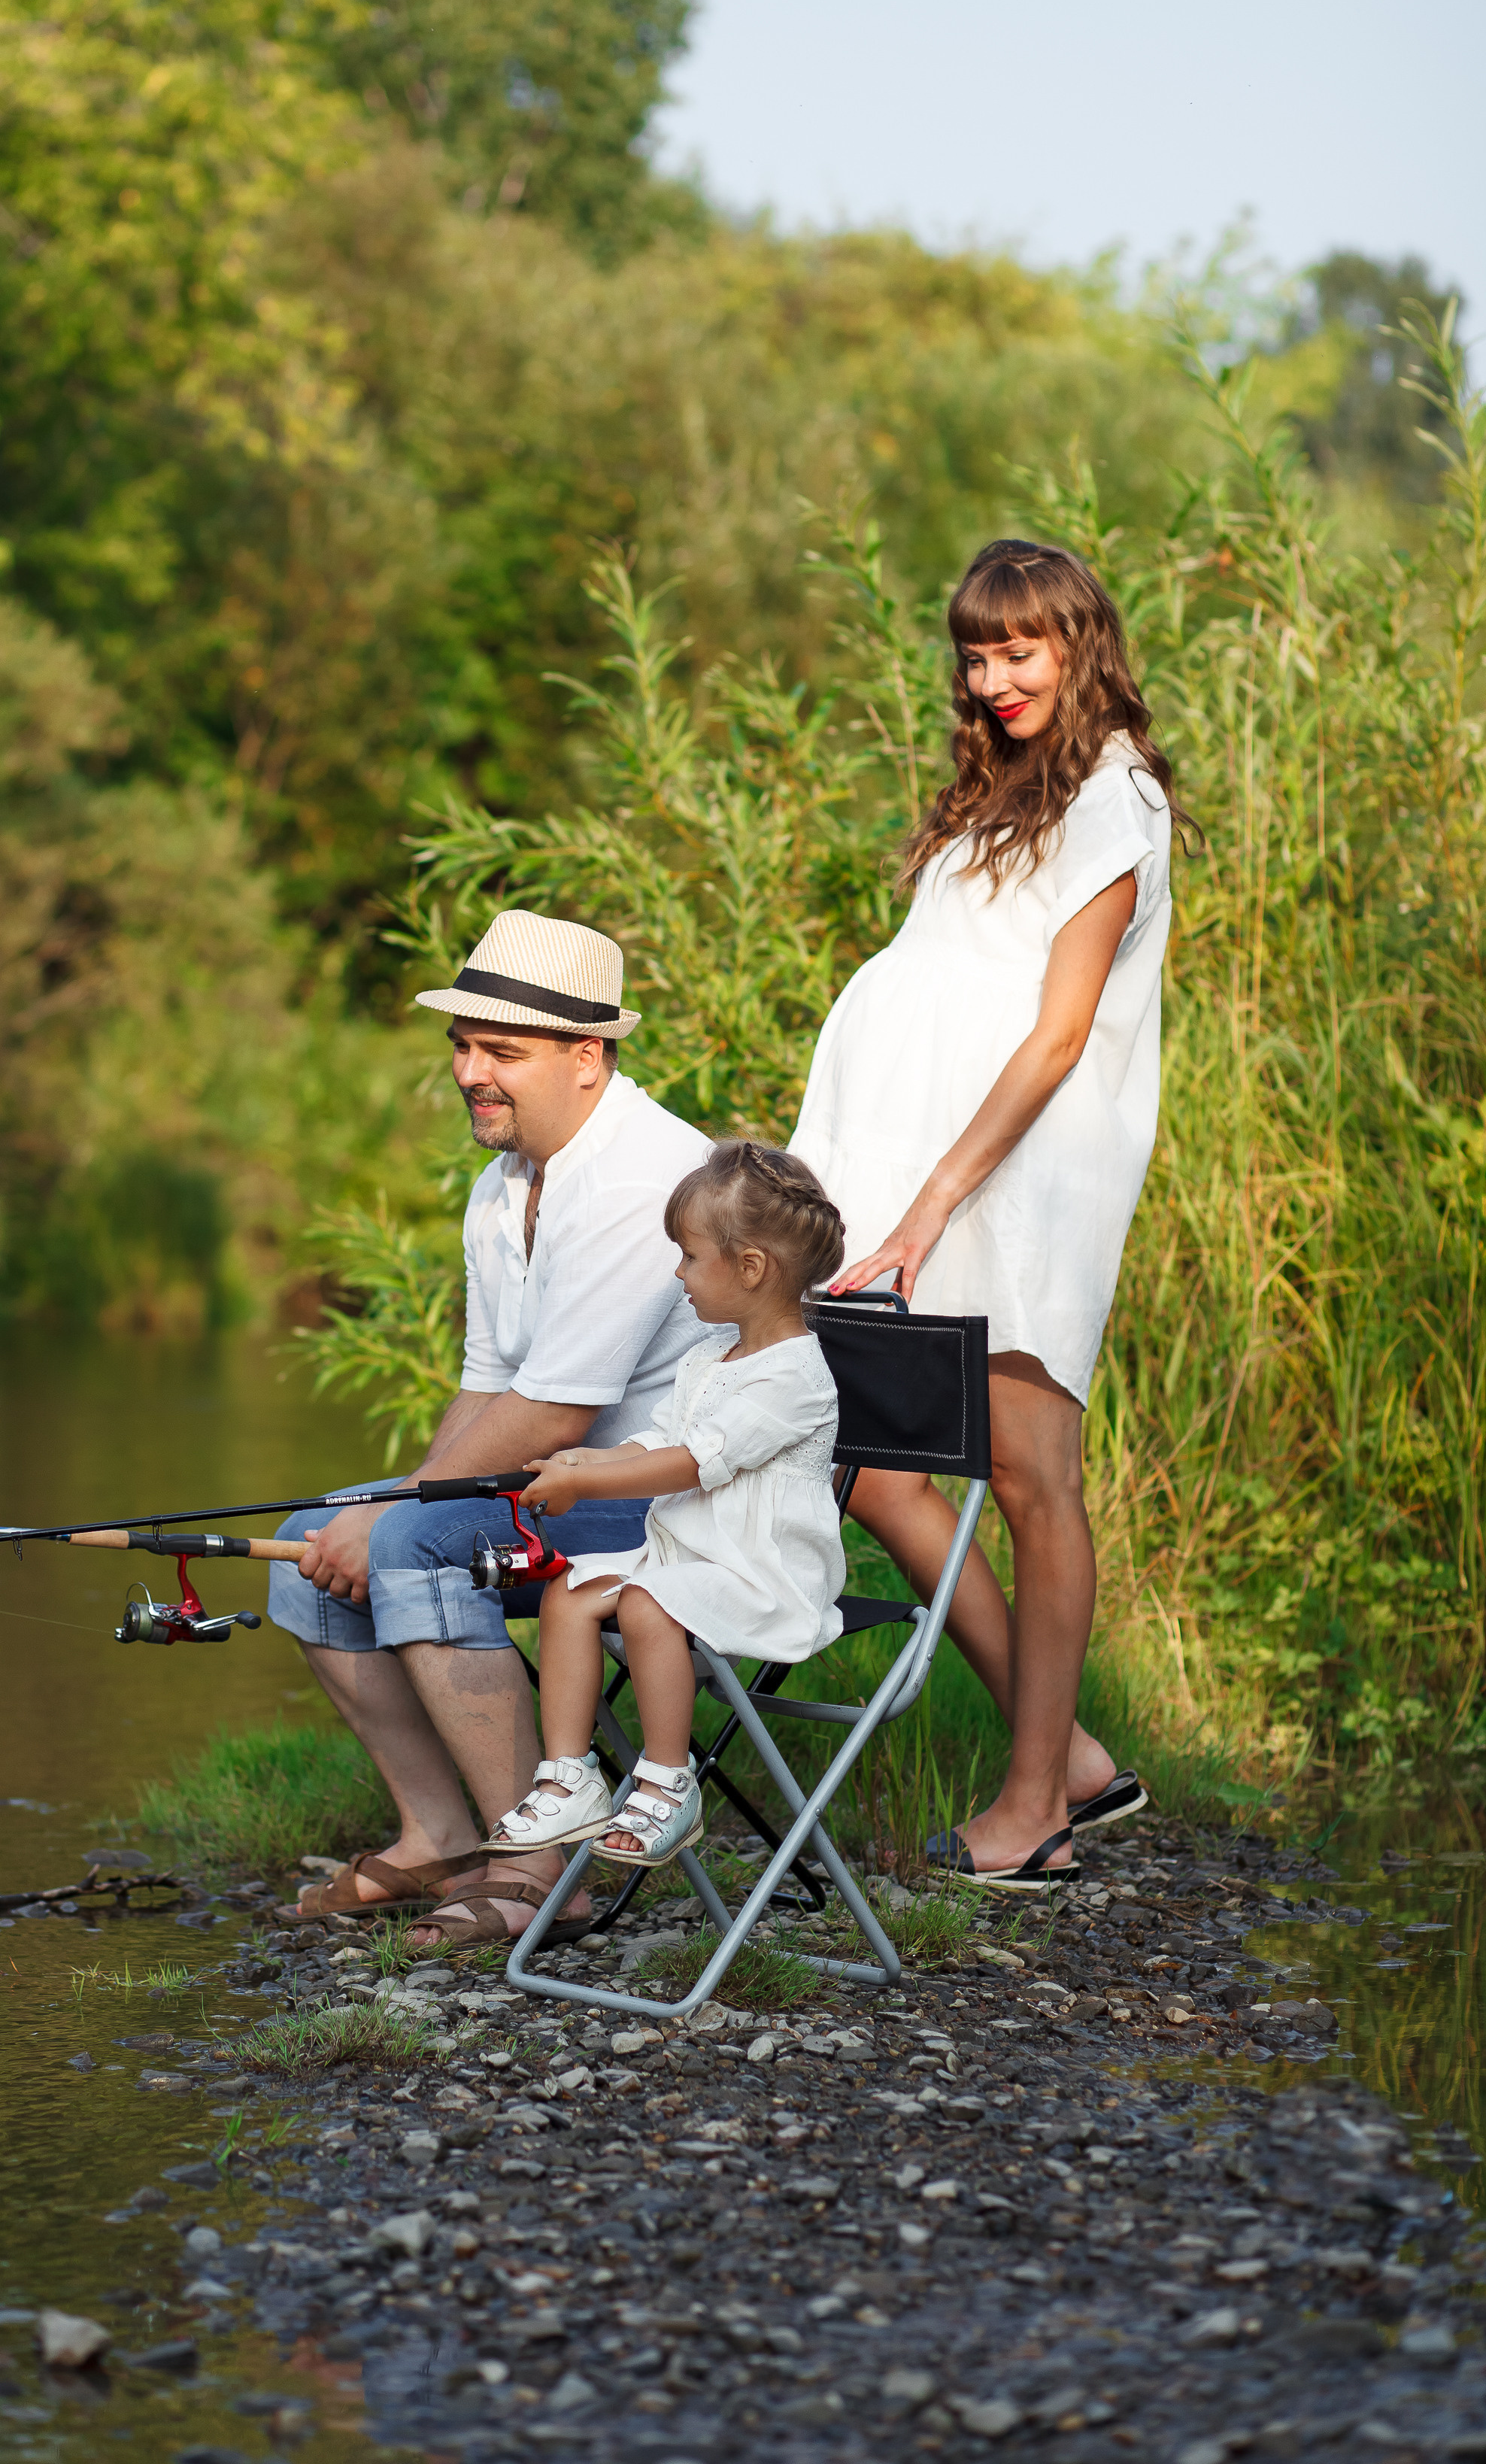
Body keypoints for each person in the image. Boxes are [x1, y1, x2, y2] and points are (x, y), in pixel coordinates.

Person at [790, 537, 1196, 1892]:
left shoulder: (1115, 799)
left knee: (1030, 1483)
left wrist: (925, 1208)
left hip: (1015, 1184)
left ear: (1082, 641)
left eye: (1019, 648)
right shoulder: (1012, 787)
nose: (994, 675)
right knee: (872, 1466)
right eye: (975, 652)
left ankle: (1037, 1809)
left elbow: (1061, 1036)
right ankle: (1068, 1752)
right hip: (915, 1177)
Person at [268, 907, 720, 1951]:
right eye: (463, 1045)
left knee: (414, 1543)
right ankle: (439, 1835)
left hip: (686, 1507)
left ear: (588, 1057)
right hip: (577, 1492)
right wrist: (372, 1508)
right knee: (308, 1548)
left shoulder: (644, 1181)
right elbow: (488, 1388)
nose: (472, 1070)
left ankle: (538, 1866)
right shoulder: (504, 1180)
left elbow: (555, 1410)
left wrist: (397, 1513)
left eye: (502, 1051)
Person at [491, 1142, 847, 1865]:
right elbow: (655, 1441)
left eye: (688, 1257)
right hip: (686, 1559)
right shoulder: (710, 1357)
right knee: (570, 1591)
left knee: (649, 1604)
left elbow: (688, 1465)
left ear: (750, 1268)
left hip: (764, 1579)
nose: (678, 1273)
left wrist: (585, 1485)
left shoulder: (795, 1379)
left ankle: (666, 1782)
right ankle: (569, 1779)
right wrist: (580, 1460)